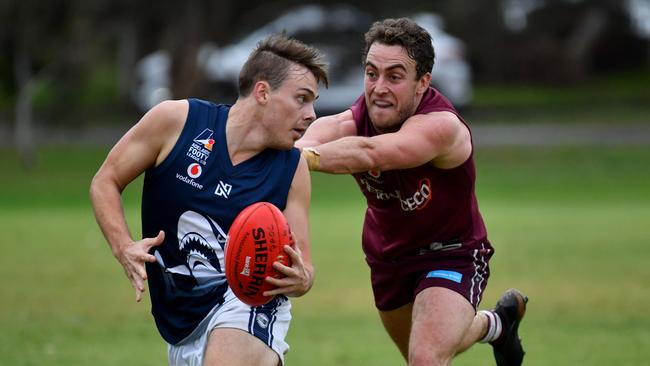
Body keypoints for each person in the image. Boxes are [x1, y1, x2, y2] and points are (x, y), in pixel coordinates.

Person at [297, 18, 527, 366]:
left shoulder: (441, 127)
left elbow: (372, 153)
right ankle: (495, 325)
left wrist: (298, 158)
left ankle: (490, 324)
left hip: (450, 253)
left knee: (426, 357)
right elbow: (317, 133)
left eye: (395, 76)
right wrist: (279, 152)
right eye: (372, 73)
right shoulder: (356, 119)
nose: (379, 87)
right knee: (422, 352)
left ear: (422, 83)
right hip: (388, 258)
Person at [90, 34, 328, 366]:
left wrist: (303, 279)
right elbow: (105, 181)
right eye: (301, 99)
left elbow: (304, 266)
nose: (312, 114)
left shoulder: (292, 169)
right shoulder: (176, 123)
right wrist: (122, 245)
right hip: (181, 324)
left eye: (313, 101)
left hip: (248, 299)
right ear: (262, 92)